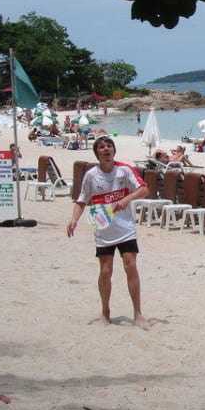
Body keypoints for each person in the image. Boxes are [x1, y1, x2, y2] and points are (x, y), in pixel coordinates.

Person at [66, 136, 150, 330]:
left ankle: (138, 313)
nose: (106, 150)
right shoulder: (91, 175)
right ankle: (105, 311)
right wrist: (73, 220)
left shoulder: (124, 169)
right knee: (106, 271)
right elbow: (82, 200)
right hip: (101, 222)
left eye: (109, 146)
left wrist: (127, 199)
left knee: (131, 266)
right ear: (97, 153)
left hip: (125, 226)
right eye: (102, 147)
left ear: (114, 151)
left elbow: (144, 189)